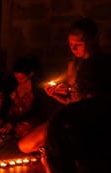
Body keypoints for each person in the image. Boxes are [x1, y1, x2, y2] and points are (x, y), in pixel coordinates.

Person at [18, 17, 110, 153]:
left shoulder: (101, 66)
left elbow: (90, 106)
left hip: (85, 122)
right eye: (70, 44)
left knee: (27, 145)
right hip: (72, 115)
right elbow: (73, 102)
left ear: (92, 41)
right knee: (24, 144)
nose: (73, 48)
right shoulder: (74, 64)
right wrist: (57, 95)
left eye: (78, 44)